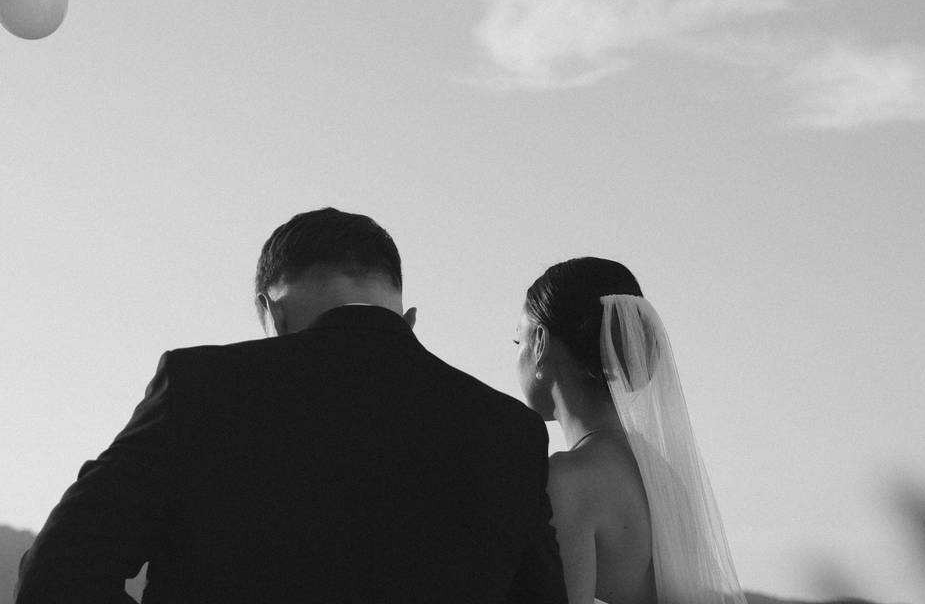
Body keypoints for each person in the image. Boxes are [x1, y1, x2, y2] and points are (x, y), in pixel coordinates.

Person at [16, 208, 568, 604]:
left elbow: (58, 571)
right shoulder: (510, 432)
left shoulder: (202, 388)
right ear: (409, 318)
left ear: (270, 314)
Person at [515, 257, 746, 604]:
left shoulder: (568, 480)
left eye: (517, 343)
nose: (517, 355)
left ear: (540, 343)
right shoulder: (664, 477)